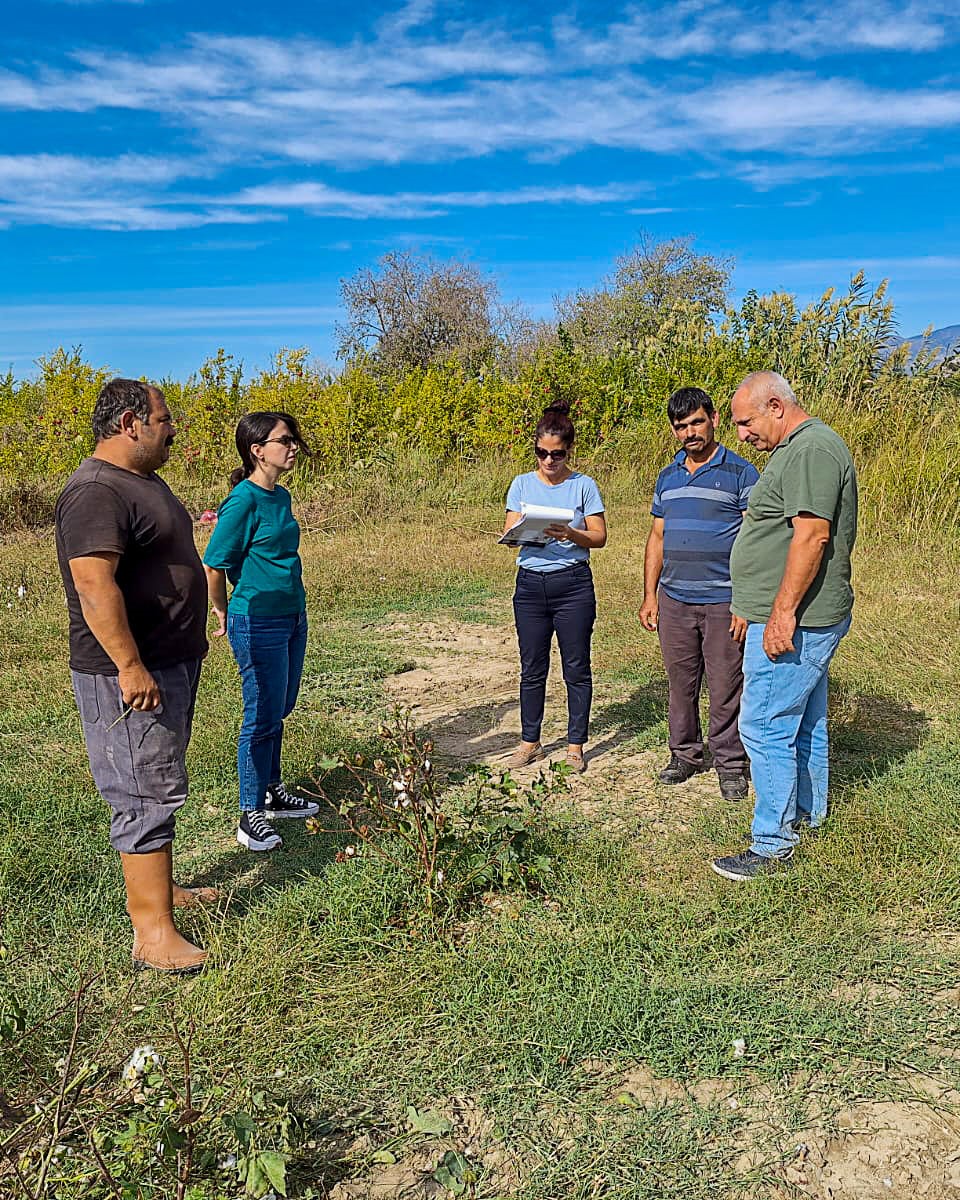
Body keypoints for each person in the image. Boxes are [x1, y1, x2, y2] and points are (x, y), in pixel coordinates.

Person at [55, 379, 210, 974]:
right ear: (130, 423)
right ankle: (152, 934)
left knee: (160, 778)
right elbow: (94, 585)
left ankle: (164, 893)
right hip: (131, 671)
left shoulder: (141, 481)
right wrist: (129, 663)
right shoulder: (95, 491)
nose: (173, 429)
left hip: (169, 660)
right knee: (141, 791)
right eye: (165, 419)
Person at [712, 371, 858, 882]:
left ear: (775, 406)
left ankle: (772, 844)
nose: (742, 435)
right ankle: (807, 815)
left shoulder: (811, 450)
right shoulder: (797, 449)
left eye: (746, 422)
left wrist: (780, 614)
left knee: (763, 724)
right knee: (803, 720)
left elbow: (812, 536)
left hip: (802, 620)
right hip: (799, 615)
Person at [203, 412, 319, 853]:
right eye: (284, 440)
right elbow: (214, 563)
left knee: (281, 705)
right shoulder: (242, 501)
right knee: (261, 714)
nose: (292, 447)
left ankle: (272, 791)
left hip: (291, 615)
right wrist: (221, 610)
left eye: (292, 439)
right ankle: (250, 812)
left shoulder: (281, 496)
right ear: (257, 450)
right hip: (256, 619)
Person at [639, 387, 759, 800]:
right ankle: (685, 755)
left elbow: (756, 541)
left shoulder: (743, 473)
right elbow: (657, 537)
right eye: (680, 426)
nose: (689, 432)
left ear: (713, 420)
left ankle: (729, 763)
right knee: (681, 682)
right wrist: (650, 595)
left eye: (696, 422)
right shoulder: (668, 476)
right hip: (675, 599)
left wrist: (746, 601)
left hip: (724, 599)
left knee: (727, 684)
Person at [502, 400, 607, 773]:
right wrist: (518, 536)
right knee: (532, 667)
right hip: (530, 585)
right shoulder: (521, 484)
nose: (549, 461)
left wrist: (571, 533)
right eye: (542, 453)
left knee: (576, 666)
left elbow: (599, 537)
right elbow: (511, 530)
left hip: (573, 585)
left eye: (557, 454)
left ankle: (575, 744)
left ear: (569, 451)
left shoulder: (584, 486)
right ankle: (530, 740)